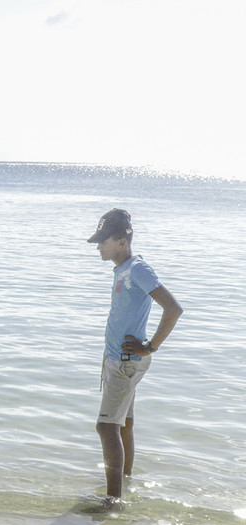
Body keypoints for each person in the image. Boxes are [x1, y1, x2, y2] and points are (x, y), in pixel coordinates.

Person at [88, 208, 182, 499]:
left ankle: (112, 501)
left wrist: (150, 347)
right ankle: (124, 484)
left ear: (121, 241)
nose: (100, 246)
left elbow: (173, 308)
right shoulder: (123, 269)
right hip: (118, 359)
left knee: (106, 427)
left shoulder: (137, 269)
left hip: (126, 362)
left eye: (104, 241)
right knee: (123, 423)